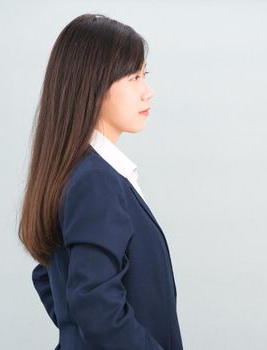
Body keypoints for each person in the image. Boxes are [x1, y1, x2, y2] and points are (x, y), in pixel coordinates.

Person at [18, 13, 183, 350]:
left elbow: (53, 278)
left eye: (145, 75)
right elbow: (96, 305)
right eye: (135, 77)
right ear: (93, 87)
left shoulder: (84, 172)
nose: (147, 91)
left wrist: (76, 336)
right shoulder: (95, 181)